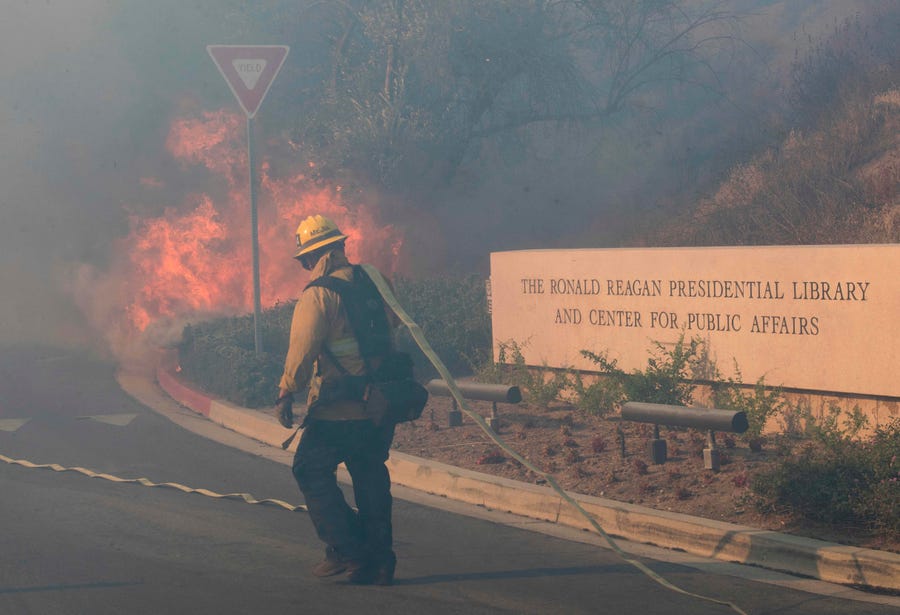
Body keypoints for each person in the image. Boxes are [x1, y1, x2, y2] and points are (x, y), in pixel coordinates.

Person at [275, 214, 398, 586]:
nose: (305, 267)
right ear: (341, 248)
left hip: (337, 409)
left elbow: (303, 348)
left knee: (310, 471)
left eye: (305, 259)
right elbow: (393, 327)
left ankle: (347, 549)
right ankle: (379, 562)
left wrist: (286, 390)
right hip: (378, 404)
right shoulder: (374, 281)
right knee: (371, 478)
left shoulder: (319, 294)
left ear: (316, 256)